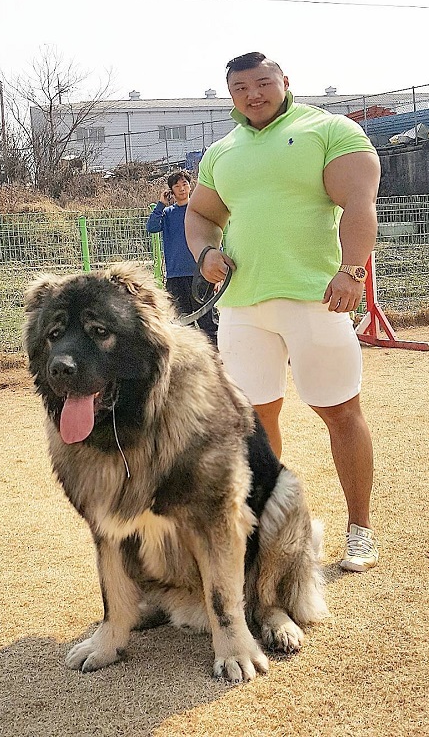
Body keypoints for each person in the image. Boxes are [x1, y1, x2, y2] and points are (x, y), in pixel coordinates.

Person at [185, 52, 381, 572]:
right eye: (241, 87)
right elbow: (201, 214)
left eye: (263, 82)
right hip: (242, 308)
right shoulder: (221, 151)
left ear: (285, 82)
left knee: (340, 412)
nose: (253, 93)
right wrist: (205, 252)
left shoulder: (329, 129)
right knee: (253, 421)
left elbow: (360, 202)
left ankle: (359, 528)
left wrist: (353, 270)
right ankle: (268, 530)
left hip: (316, 299)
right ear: (230, 95)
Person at [146, 170, 218, 343]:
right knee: (182, 324)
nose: (182, 189)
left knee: (208, 322)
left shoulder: (199, 210)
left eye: (184, 184)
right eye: (177, 186)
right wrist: (161, 204)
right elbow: (152, 227)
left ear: (190, 186)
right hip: (175, 277)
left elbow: (214, 235)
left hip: (199, 274)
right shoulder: (168, 213)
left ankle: (216, 360)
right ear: (171, 190)